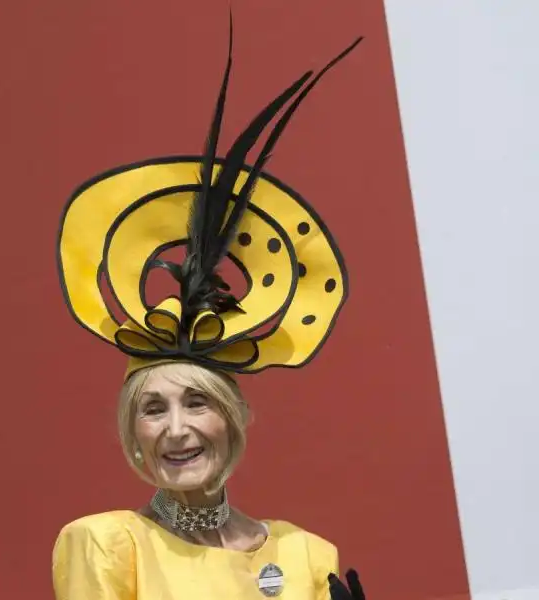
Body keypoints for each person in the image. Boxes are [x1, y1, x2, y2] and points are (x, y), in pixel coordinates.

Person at [53, 16, 367, 600]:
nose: (177, 430)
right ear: (133, 434)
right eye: (153, 409)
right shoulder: (105, 544)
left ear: (233, 417)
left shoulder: (305, 553)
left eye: (196, 402)